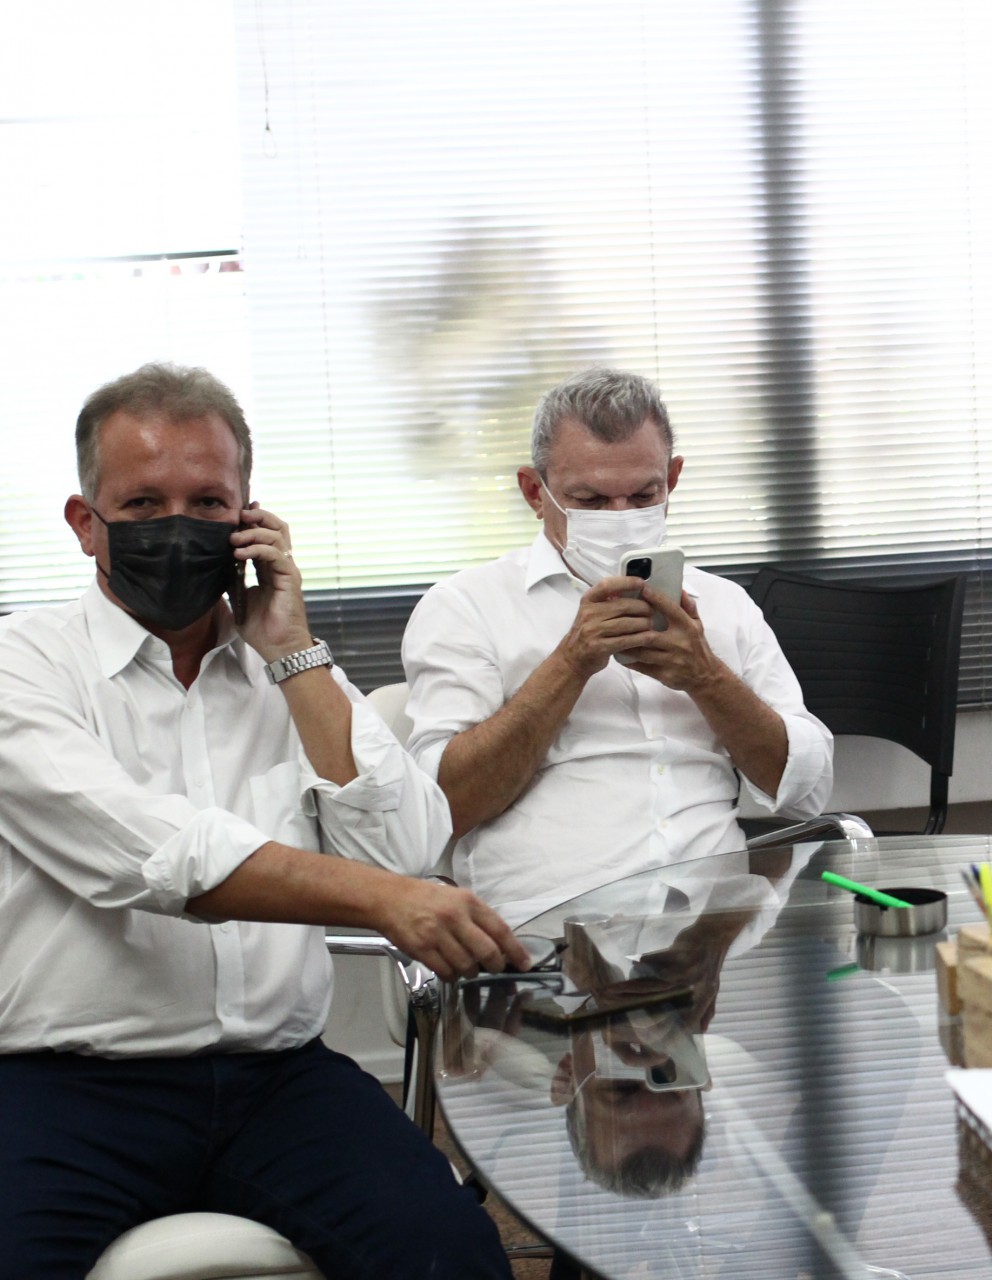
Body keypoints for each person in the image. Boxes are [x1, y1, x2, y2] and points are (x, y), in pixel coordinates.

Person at [0, 363, 529, 1279]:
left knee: (451, 1252)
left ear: (249, 519)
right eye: (142, 503)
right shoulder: (25, 664)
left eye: (208, 501)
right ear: (87, 526)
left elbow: (406, 847)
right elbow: (156, 855)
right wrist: (384, 900)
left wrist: (292, 649)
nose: (178, 526)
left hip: (276, 1078)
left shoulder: (289, 673)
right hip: (65, 1083)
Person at [402, 367, 832, 922]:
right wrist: (571, 663)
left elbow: (807, 789)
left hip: (710, 927)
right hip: (547, 935)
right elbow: (443, 807)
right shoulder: (465, 607)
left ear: (672, 480)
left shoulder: (725, 605)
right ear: (536, 492)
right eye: (591, 500)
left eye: (643, 494)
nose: (621, 518)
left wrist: (706, 678)